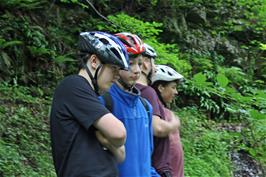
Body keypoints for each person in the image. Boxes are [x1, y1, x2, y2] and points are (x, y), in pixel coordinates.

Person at [50, 31, 129, 177]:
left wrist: (108, 140)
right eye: (113, 68)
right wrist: (110, 140)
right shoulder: (73, 86)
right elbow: (119, 133)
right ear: (94, 61)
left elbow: (121, 155)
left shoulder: (93, 97)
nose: (117, 76)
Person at [99, 32, 159, 177]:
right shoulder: (103, 102)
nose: (137, 70)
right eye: (130, 64)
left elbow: (146, 159)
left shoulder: (145, 107)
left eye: (139, 63)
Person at [136, 43, 180, 177]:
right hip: (157, 168)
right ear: (145, 63)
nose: (154, 68)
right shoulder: (147, 92)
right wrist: (174, 123)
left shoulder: (131, 92)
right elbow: (157, 128)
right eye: (153, 63)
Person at [151, 64, 185, 177]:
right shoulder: (156, 112)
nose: (176, 92)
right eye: (173, 87)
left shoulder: (164, 111)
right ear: (161, 87)